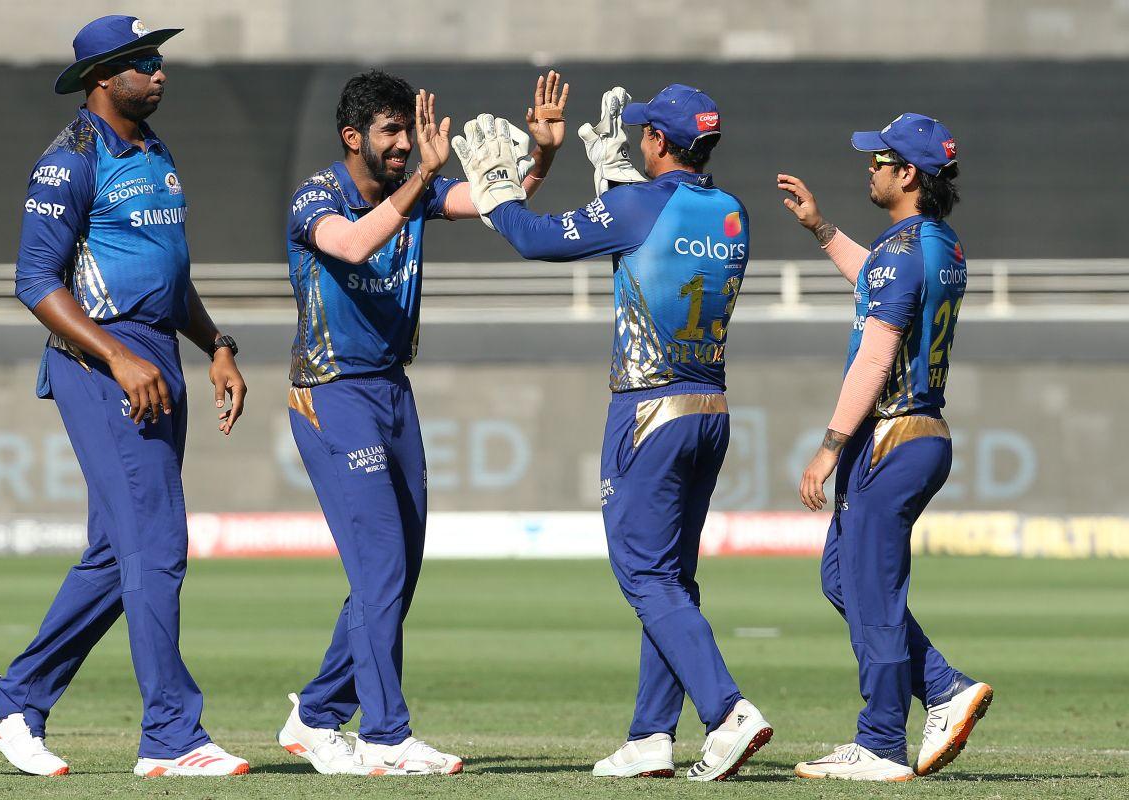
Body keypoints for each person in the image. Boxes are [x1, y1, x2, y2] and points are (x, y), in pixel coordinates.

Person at [451, 85, 771, 782]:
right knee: (673, 580)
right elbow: (664, 238)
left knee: (645, 575)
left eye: (644, 134)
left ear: (656, 141)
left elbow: (536, 239)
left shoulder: (634, 206)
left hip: (648, 411)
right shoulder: (732, 214)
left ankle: (727, 712)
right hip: (710, 407)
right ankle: (651, 737)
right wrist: (616, 184)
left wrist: (500, 186)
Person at [0, 15, 249, 778]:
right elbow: (34, 282)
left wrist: (215, 344)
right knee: (157, 546)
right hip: (101, 363)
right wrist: (120, 358)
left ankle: (12, 699)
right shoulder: (68, 162)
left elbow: (170, 272)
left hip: (157, 357)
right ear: (103, 78)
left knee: (115, 554)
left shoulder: (155, 151)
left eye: (159, 60)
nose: (160, 72)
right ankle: (171, 737)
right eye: (144, 63)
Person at [275, 69, 566, 776]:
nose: (406, 144)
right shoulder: (317, 196)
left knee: (397, 576)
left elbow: (506, 196)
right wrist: (419, 184)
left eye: (410, 130)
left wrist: (542, 151)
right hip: (332, 391)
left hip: (392, 392)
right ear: (354, 138)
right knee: (378, 566)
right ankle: (384, 737)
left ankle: (315, 716)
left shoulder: (422, 189)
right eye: (392, 132)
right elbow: (349, 246)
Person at [778, 113, 992, 781]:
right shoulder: (938, 243)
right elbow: (878, 278)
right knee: (844, 579)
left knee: (871, 591)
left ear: (909, 175)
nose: (868, 168)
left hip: (890, 438)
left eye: (880, 161)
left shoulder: (903, 251)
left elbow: (875, 357)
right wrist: (821, 229)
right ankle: (946, 687)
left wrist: (828, 447)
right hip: (920, 436)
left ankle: (879, 743)